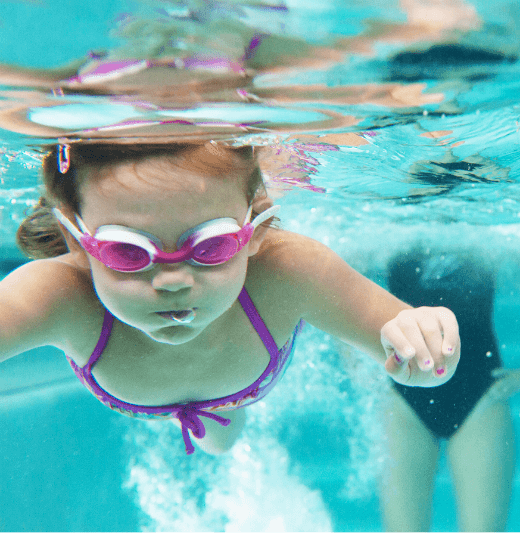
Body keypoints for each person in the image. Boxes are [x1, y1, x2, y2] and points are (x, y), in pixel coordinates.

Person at [0, 140, 460, 456]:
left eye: (211, 246)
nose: (173, 281)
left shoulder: (290, 270)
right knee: (217, 440)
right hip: (157, 394)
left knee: (222, 439)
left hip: (233, 397)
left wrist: (427, 346)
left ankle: (217, 423)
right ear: (77, 241)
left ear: (253, 232)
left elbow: (415, 342)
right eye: (127, 251)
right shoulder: (58, 294)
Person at [379, 248, 520, 532]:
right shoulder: (390, 225)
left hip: (479, 396)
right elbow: (334, 284)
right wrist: (358, 366)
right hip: (409, 401)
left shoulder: (484, 229)